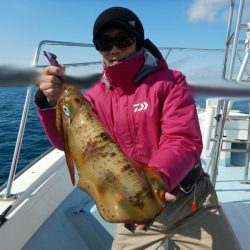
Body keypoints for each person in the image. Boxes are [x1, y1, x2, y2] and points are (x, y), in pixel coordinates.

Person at [35, 6, 241, 250]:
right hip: (132, 207)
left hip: (189, 202)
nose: (114, 49)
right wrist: (49, 103)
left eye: (123, 40)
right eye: (104, 43)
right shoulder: (95, 97)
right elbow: (70, 143)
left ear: (138, 42)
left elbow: (183, 140)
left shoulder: (171, 82)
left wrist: (155, 182)